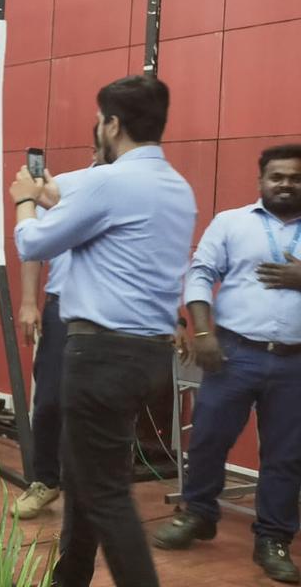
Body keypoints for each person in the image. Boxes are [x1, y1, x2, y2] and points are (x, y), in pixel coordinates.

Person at [11, 74, 196, 587]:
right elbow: (85, 208)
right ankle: (69, 576)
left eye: (98, 121)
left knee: (107, 493)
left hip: (101, 357)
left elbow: (33, 243)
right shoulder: (176, 188)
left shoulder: (108, 183)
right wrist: (50, 195)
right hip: (147, 356)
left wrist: (25, 200)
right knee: (85, 474)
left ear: (112, 125)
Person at [152, 144, 301, 583]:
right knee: (208, 439)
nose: (286, 184)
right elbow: (201, 273)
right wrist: (202, 333)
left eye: (295, 178)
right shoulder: (232, 223)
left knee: (286, 455)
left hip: (295, 363)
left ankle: (273, 538)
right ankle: (198, 514)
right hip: (235, 353)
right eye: (277, 176)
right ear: (261, 181)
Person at [13, 129, 103, 520]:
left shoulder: (138, 192)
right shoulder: (62, 186)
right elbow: (34, 244)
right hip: (62, 308)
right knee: (49, 399)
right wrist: (28, 302)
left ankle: (93, 492)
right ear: (96, 146)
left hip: (111, 315)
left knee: (99, 406)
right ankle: (45, 481)